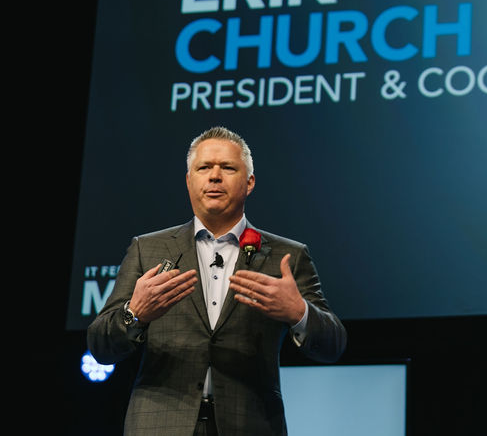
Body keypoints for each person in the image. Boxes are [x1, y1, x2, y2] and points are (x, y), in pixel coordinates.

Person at [88, 126, 346, 435]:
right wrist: (135, 313)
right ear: (189, 181)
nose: (214, 176)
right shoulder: (147, 249)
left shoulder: (287, 255)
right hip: (160, 425)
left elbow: (333, 345)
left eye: (227, 168)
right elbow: (101, 346)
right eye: (204, 168)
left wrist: (299, 313)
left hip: (250, 425)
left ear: (249, 182)